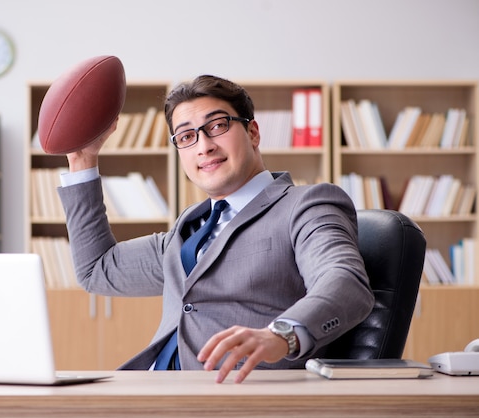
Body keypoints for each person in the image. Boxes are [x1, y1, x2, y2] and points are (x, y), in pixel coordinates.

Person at [56, 75, 375, 384]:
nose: (203, 146)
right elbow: (97, 270)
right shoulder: (186, 228)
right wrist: (83, 160)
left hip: (235, 399)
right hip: (151, 391)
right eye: (186, 136)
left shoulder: (305, 205)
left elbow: (344, 281)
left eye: (218, 126)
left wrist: (281, 335)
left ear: (252, 132)